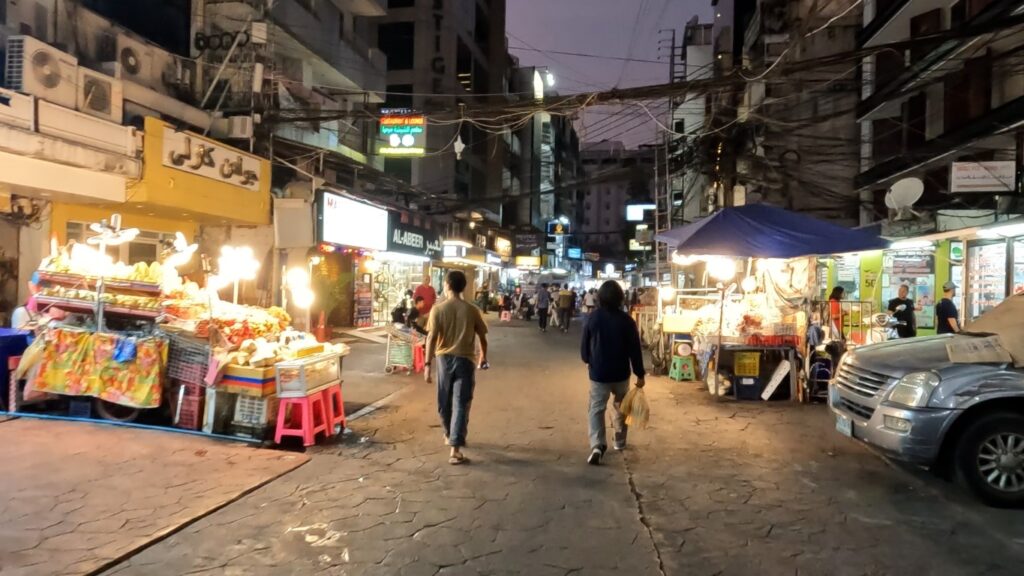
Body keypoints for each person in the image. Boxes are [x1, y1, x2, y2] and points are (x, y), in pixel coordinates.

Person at [424, 270, 489, 465]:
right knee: (461, 402)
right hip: (465, 360)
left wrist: (428, 365)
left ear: (447, 285)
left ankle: (449, 434)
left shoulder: (438, 309)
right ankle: (455, 447)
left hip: (443, 360)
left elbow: (431, 338)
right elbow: (482, 337)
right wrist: (483, 357)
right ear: (464, 287)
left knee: (444, 400)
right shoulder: (471, 310)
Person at [581, 280, 646, 465]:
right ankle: (619, 439)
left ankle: (597, 445)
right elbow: (635, 350)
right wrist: (640, 374)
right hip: (620, 373)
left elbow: (585, 347)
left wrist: (588, 360)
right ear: (620, 298)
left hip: (599, 373)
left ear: (599, 297)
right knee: (621, 406)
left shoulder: (593, 318)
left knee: (596, 408)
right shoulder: (627, 320)